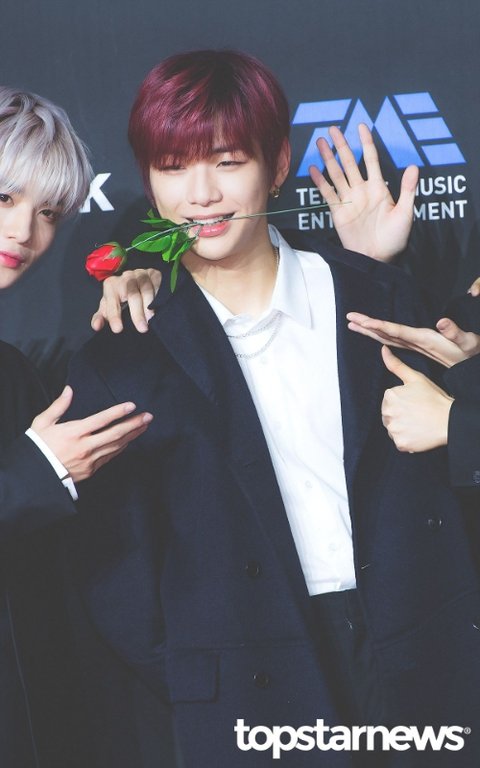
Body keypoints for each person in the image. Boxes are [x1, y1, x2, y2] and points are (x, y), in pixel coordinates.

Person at [63, 50, 480, 768]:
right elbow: (115, 569)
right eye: (173, 167)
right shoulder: (125, 351)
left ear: (277, 162)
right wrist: (204, 677)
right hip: (251, 687)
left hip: (416, 660)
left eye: (227, 162)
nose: (201, 194)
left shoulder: (376, 296)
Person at [0, 86, 161, 767]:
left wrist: (143, 312)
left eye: (47, 214)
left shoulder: (13, 370)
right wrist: (37, 473)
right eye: (4, 198)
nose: (23, 233)